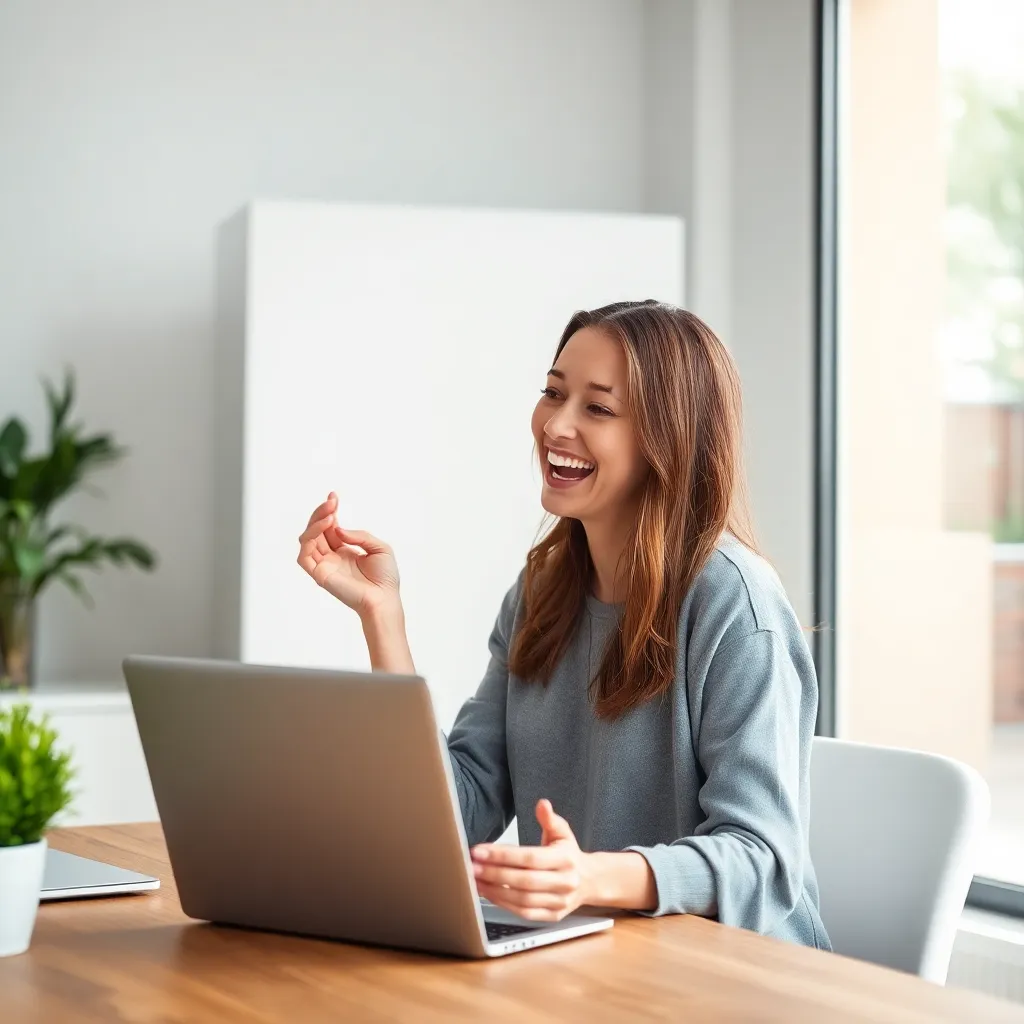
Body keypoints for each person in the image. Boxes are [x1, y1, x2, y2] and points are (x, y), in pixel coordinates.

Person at [296, 300, 831, 950]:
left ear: (669, 437)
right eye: (553, 393)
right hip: (597, 965)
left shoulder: (734, 603)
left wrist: (590, 877)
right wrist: (384, 621)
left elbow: (764, 858)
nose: (557, 424)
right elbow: (457, 816)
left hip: (742, 983)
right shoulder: (541, 594)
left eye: (598, 408)